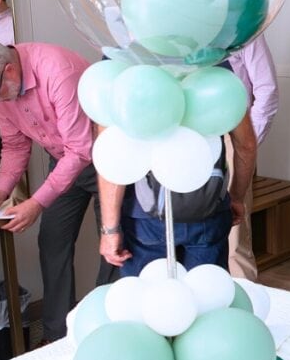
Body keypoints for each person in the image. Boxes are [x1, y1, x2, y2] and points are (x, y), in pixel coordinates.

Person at [0, 36, 111, 344]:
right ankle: (57, 339)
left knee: (112, 245)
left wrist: (36, 203)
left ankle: (105, 332)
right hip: (65, 160)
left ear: (9, 71)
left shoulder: (57, 70)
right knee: (52, 242)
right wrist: (0, 192)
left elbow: (81, 149)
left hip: (105, 158)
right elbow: (14, 145)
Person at [98, 90, 258, 277]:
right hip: (209, 207)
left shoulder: (122, 65)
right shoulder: (217, 64)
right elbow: (246, 145)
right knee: (207, 297)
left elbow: (113, 156)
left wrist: (110, 229)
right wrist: (237, 197)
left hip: (145, 217)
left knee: (148, 298)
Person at [224, 35, 278, 280]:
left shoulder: (244, 30)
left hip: (232, 133)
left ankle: (244, 305)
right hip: (187, 137)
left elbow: (267, 89)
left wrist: (247, 141)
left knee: (235, 233)